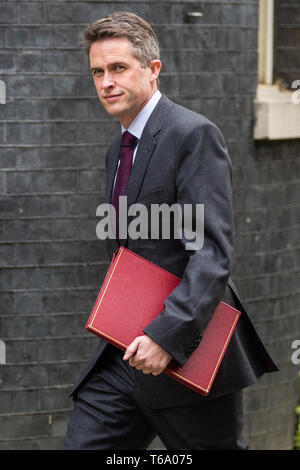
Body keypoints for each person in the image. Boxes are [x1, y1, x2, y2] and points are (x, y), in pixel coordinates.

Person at [62, 11, 278, 450]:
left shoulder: (193, 134)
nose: (106, 82)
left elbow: (211, 253)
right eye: (97, 72)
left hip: (186, 353)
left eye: (118, 68)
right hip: (123, 355)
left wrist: (167, 335)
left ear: (152, 69)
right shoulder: (117, 150)